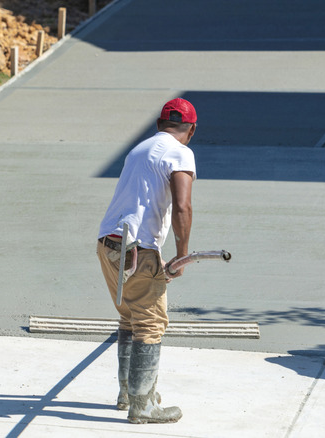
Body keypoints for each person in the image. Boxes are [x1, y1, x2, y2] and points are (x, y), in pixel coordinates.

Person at [96, 98, 198, 423]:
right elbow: (182, 207)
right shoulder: (181, 153)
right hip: (139, 249)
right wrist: (182, 255)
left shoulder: (138, 150)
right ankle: (143, 406)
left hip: (109, 243)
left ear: (158, 124)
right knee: (151, 323)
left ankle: (127, 393)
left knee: (129, 317)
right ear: (191, 130)